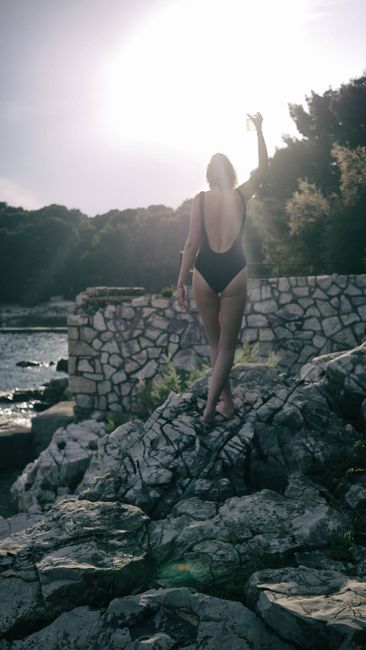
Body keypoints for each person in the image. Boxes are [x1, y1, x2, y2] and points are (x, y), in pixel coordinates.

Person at [176, 113, 268, 424]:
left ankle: (222, 405)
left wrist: (179, 284)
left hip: (202, 271)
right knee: (228, 346)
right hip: (234, 269)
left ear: (208, 174)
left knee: (215, 345)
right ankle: (213, 408)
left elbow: (190, 245)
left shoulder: (199, 200)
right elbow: (265, 168)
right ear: (231, 171)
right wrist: (259, 131)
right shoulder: (241, 195)